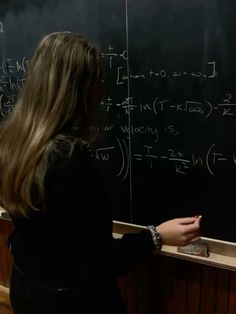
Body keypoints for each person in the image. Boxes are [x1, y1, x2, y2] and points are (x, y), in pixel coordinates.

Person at [0, 32, 201, 314]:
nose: (102, 91)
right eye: (97, 82)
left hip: (27, 287)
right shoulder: (66, 159)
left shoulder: (14, 140)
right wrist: (155, 237)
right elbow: (91, 262)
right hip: (70, 304)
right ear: (75, 90)